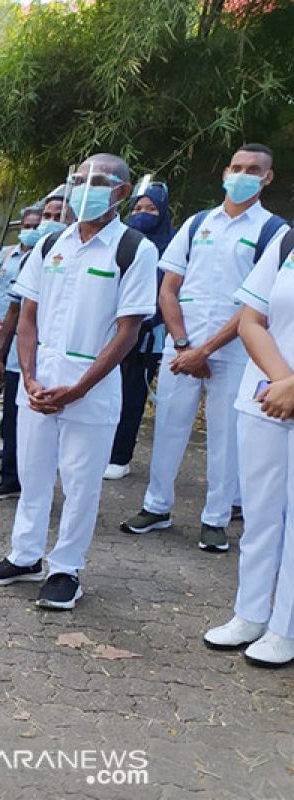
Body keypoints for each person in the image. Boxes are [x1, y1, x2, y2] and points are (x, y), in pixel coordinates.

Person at [0, 154, 158, 610]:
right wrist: (31, 376)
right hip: (38, 388)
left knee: (80, 484)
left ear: (123, 190)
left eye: (99, 181)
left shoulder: (133, 249)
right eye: (79, 180)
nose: (87, 188)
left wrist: (77, 389)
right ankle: (24, 555)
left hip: (89, 392)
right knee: (33, 474)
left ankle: (65, 569)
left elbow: (129, 331)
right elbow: (28, 317)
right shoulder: (49, 245)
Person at [122, 144, 288, 552]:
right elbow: (169, 288)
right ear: (224, 172)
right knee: (169, 427)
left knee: (225, 437)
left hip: (236, 350)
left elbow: (257, 304)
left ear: (267, 178)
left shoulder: (274, 231)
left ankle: (214, 519)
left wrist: (207, 349)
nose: (241, 174)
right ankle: (156, 507)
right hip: (182, 348)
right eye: (236, 167)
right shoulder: (198, 224)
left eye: (253, 169)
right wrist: (183, 343)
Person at [203, 230, 294, 665]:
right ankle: (252, 613)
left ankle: (285, 628)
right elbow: (251, 320)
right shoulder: (287, 241)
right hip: (266, 400)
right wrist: (283, 383)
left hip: (283, 394)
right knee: (260, 516)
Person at [0, 195, 72, 501]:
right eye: (46, 214)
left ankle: (45, 487)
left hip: (62, 363)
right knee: (13, 420)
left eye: (56, 215)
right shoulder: (25, 259)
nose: (49, 221)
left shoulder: (76, 260)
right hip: (19, 362)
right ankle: (11, 479)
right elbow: (14, 311)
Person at [104, 182, 175, 479]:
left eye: (150, 209)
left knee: (131, 394)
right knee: (104, 390)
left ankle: (120, 456)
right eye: (137, 208)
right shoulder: (118, 243)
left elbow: (169, 291)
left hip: (146, 335)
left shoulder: (172, 246)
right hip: (109, 330)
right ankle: (100, 448)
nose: (142, 214)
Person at [0, 206, 43, 451]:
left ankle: (8, 438)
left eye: (36, 226)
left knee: (15, 382)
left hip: (21, 333)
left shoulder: (44, 256)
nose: (31, 231)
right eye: (27, 226)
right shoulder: (6, 254)